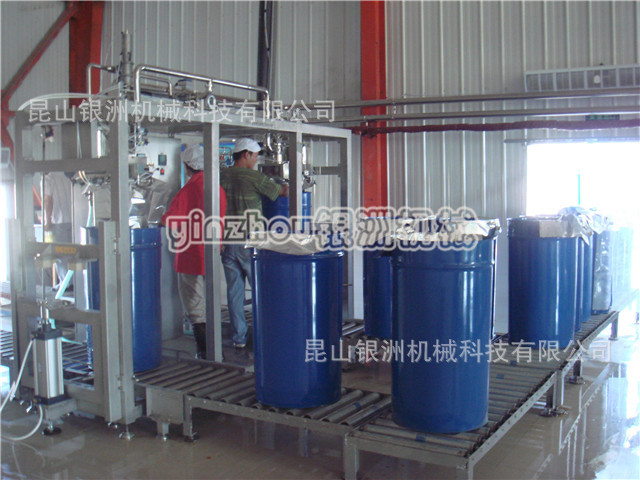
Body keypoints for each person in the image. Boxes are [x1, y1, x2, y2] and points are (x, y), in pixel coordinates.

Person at [221, 138, 289, 349]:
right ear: (246, 154)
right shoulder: (254, 177)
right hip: (251, 241)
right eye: (255, 156)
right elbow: (282, 193)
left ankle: (239, 338)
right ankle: (266, 336)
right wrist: (289, 183)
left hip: (227, 241)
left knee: (234, 293)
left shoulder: (221, 175)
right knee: (262, 289)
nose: (256, 160)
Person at [162, 144, 227, 358]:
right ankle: (215, 350)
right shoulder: (217, 188)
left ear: (187, 166)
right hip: (211, 252)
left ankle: (205, 353)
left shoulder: (189, 189)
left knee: (195, 306)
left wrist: (159, 218)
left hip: (190, 254)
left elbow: (171, 221)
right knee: (211, 302)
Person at [43, 172, 73, 290]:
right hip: (73, 219)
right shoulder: (66, 176)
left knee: (60, 255)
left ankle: (65, 285)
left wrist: (47, 221)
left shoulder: (48, 179)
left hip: (58, 221)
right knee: (73, 253)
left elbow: (48, 200)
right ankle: (73, 282)